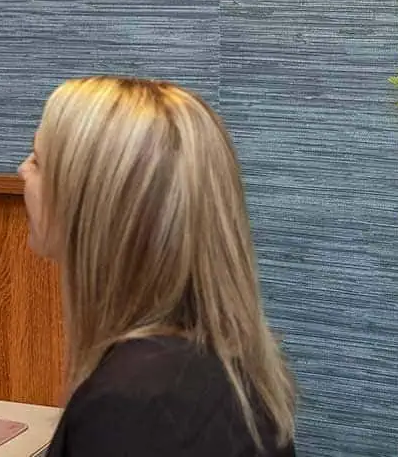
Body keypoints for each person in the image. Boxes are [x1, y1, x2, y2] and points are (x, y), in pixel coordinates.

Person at [18, 76, 297, 457]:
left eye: (37, 160)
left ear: (95, 207)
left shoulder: (139, 405)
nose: (22, 171)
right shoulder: (205, 369)